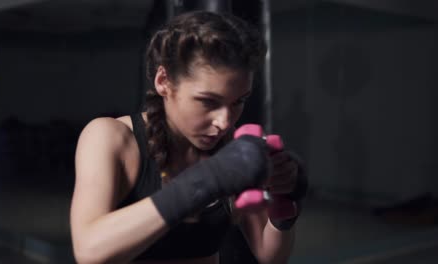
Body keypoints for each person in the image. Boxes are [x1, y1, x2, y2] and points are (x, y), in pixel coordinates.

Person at [70, 11, 307, 264]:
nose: (225, 122)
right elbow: (89, 251)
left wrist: (284, 205)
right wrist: (208, 179)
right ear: (163, 81)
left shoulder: (230, 150)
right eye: (208, 101)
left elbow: (270, 255)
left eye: (238, 101)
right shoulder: (112, 138)